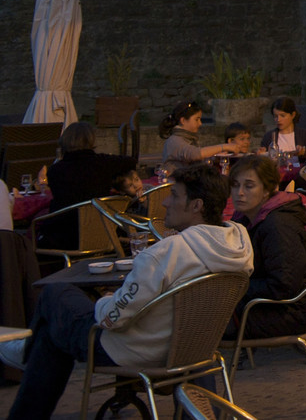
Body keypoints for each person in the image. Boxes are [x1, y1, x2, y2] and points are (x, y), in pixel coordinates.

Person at [0, 163, 253, 419]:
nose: (165, 202)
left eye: (174, 195)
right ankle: (30, 352)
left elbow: (112, 318)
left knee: (56, 295)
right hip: (196, 347)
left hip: (136, 350)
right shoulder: (239, 245)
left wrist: (107, 299)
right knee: (52, 332)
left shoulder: (166, 253)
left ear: (197, 205)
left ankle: (26, 356)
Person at [227, 154, 306, 339]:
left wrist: (231, 288)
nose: (240, 192)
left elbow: (283, 285)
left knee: (195, 318)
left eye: (249, 186)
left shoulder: (278, 225)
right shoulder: (247, 218)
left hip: (286, 313)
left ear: (267, 190)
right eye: (235, 185)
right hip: (262, 305)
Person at [37, 122, 137, 251]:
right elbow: (131, 162)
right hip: (103, 232)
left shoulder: (55, 171)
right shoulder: (104, 163)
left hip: (65, 236)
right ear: (90, 140)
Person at [159, 100, 247, 163]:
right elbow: (194, 154)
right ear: (183, 121)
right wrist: (223, 146)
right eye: (197, 119)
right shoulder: (174, 140)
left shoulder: (189, 139)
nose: (200, 123)